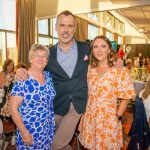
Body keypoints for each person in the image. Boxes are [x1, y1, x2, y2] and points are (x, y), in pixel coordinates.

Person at [16, 10, 123, 150]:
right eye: (62, 25)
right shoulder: (49, 53)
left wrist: (116, 61)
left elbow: (102, 56)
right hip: (55, 106)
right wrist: (20, 70)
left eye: (70, 26)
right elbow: (35, 68)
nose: (65, 30)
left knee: (55, 144)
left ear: (75, 28)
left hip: (78, 104)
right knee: (51, 140)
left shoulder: (87, 48)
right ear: (56, 27)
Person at [78, 36, 135, 150]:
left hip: (109, 119)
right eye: (96, 47)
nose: (99, 50)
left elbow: (126, 96)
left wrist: (117, 116)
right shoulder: (90, 69)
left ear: (109, 49)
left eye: (103, 46)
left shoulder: (119, 70)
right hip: (91, 117)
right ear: (92, 51)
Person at [9, 44, 56, 149]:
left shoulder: (48, 76)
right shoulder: (23, 79)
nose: (41, 58)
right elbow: (12, 109)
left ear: (47, 60)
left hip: (47, 128)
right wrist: (24, 132)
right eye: (37, 55)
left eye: (44, 56)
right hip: (30, 130)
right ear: (30, 59)